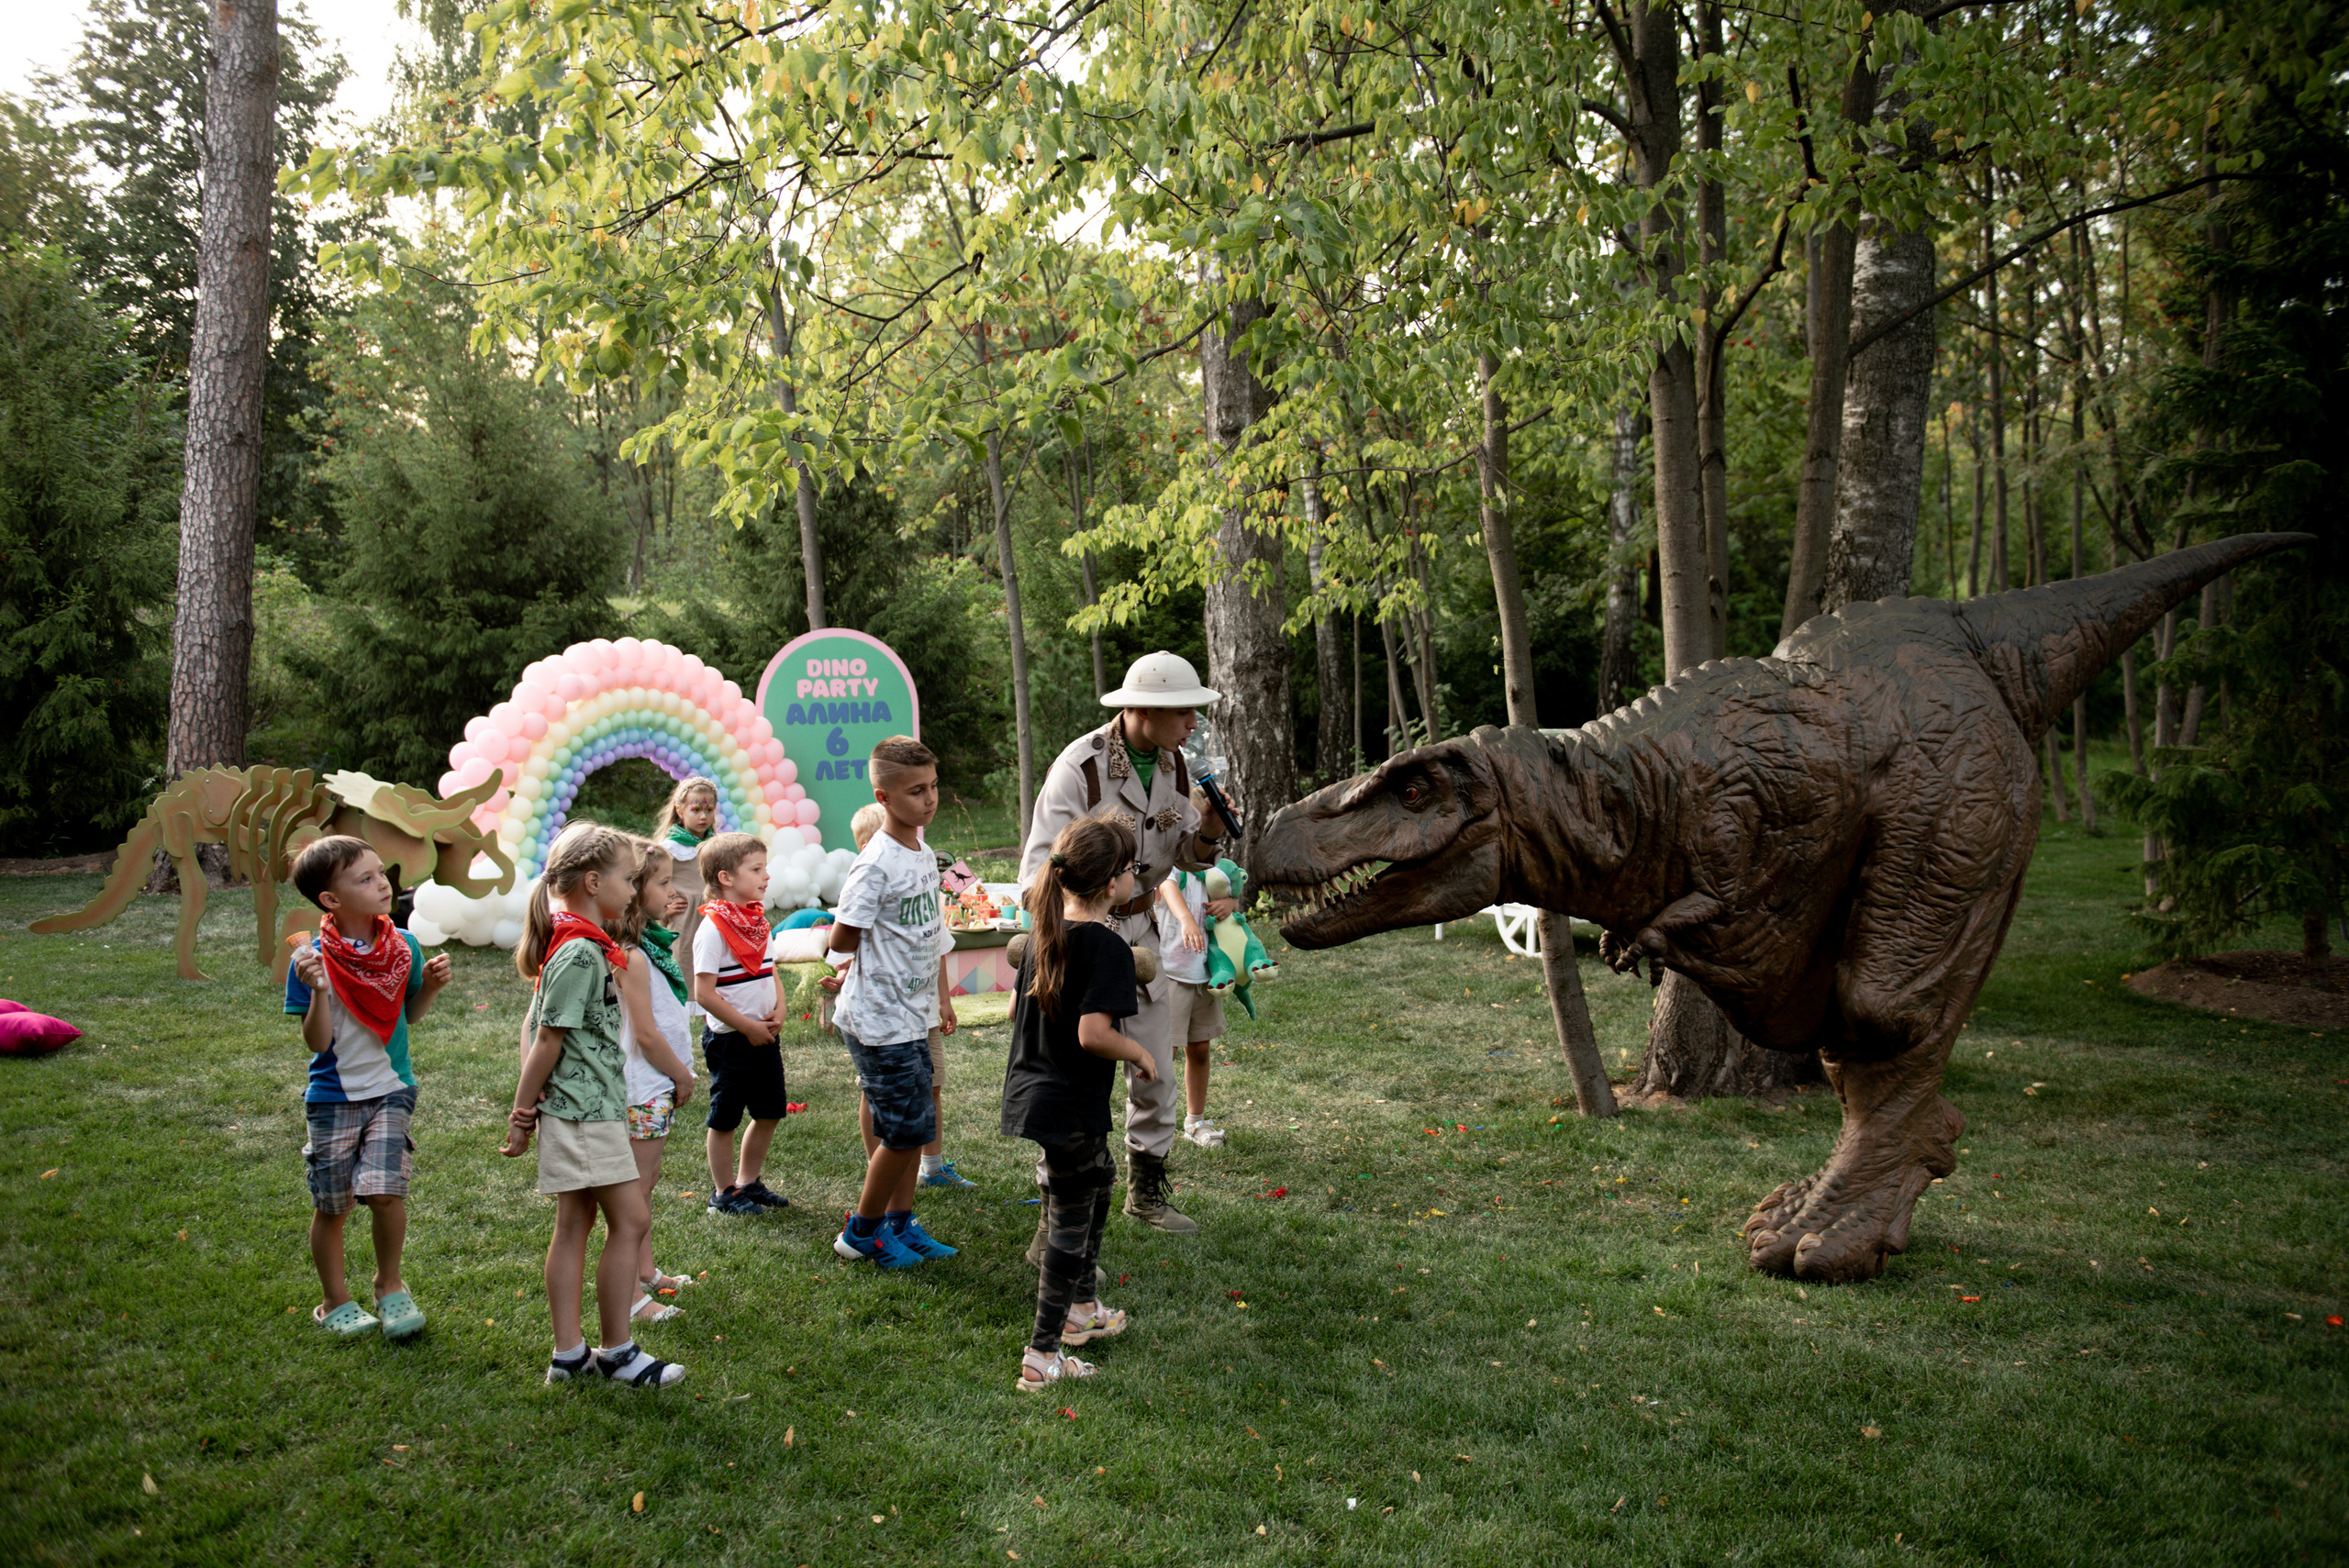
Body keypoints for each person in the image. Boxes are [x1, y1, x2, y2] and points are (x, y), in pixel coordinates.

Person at [1019, 651, 1230, 1235]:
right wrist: (1073, 945)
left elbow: (1184, 856)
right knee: (1071, 1077)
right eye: (1183, 711)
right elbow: (1042, 870)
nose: (1192, 723)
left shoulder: (1178, 767)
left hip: (1146, 930)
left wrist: (1210, 830)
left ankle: (1145, 1190)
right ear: (1145, 709)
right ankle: (1056, 1211)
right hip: (1083, 931)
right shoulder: (1080, 769)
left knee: (1156, 1066)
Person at [499, 823, 685, 1388]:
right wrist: (522, 1114)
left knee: (575, 1224)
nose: (632, 892)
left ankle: (569, 1355)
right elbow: (547, 1039)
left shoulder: (577, 942)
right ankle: (618, 1352)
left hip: (586, 1108)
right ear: (591, 880)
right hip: (583, 1113)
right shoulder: (580, 951)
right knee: (630, 1218)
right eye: (628, 880)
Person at [1002, 816, 1153, 1390]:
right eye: (1131, 869)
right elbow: (1094, 1035)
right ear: (1113, 883)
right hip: (1068, 1102)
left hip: (1036, 1098)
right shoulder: (1109, 947)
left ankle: (1084, 1308)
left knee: (1099, 1179)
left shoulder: (1044, 936)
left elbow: (1023, 1018)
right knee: (1070, 1218)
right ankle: (1044, 1354)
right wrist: (1139, 1053)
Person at [285, 835, 453, 1340]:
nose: (382, 883)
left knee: (385, 1192)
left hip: (392, 1089)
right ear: (330, 901)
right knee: (332, 1206)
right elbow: (317, 1043)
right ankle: (334, 1300)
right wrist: (317, 991)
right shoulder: (311, 959)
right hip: (334, 1097)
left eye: (381, 873)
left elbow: (407, 1016)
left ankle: (390, 1285)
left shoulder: (403, 946)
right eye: (365, 878)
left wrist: (432, 989)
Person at [825, 737, 961, 1268]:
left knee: (919, 1124)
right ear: (883, 797)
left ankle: (902, 1225)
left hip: (913, 1015)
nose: (928, 800)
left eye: (932, 788)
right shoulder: (875, 862)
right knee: (904, 1130)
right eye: (914, 792)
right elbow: (842, 938)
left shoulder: (923, 853)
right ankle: (862, 1233)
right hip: (879, 1020)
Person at [849, 801, 974, 1192]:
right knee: (878, 1094)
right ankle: (883, 1166)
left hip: (923, 1014)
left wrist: (944, 1000)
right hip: (886, 1017)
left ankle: (931, 1167)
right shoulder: (869, 882)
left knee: (931, 1084)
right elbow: (846, 946)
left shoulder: (924, 880)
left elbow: (935, 947)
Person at [618, 835, 699, 1320]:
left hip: (653, 1085)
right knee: (633, 1197)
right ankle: (630, 1297)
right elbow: (646, 1034)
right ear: (633, 890)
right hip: (644, 1085)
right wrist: (681, 1075)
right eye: (663, 882)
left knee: (645, 1187)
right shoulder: (632, 954)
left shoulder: (648, 942)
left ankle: (645, 1270)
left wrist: (664, 918)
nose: (673, 890)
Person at [691, 831, 788, 1217]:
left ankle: (748, 1182)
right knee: (726, 1117)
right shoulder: (713, 929)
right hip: (731, 1041)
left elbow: (771, 971)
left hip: (764, 1036)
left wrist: (779, 1010)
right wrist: (746, 1026)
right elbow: (704, 993)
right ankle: (723, 1192)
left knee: (769, 1111)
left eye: (765, 868)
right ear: (726, 877)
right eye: (757, 869)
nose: (766, 876)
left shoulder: (756, 923)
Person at [1157, 868, 1237, 1148]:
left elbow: (1231, 895)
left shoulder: (1213, 871)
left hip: (1203, 975)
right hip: (1170, 977)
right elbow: (1166, 887)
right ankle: (1153, 1124)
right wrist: (1187, 919)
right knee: (1165, 1054)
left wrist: (1230, 904)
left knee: (1200, 1049)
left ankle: (1195, 1120)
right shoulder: (1170, 866)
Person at [652, 775, 721, 957]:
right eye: (696, 809)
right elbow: (651, 886)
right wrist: (664, 910)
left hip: (714, 917)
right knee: (686, 965)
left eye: (709, 809)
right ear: (680, 810)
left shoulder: (716, 846)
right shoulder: (669, 849)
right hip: (685, 920)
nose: (703, 816)